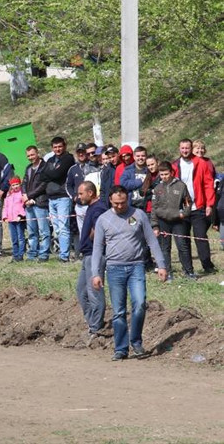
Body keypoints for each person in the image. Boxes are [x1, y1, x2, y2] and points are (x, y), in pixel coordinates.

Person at [91, 185, 168, 361]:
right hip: (114, 268)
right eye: (116, 203)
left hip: (136, 267)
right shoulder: (103, 220)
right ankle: (121, 348)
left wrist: (161, 265)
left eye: (123, 202)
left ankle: (136, 342)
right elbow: (97, 249)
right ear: (110, 199)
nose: (120, 206)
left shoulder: (138, 215)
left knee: (140, 304)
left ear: (128, 199)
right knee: (118, 311)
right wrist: (96, 273)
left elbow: (151, 241)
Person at [172, 138, 216, 274]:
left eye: (187, 148)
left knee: (200, 237)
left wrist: (209, 204)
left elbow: (208, 184)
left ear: (191, 148)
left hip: (198, 207)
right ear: (179, 149)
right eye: (183, 148)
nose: (185, 151)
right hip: (181, 209)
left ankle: (208, 266)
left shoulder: (201, 163)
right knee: (183, 240)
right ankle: (188, 270)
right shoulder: (175, 165)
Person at [76, 181, 108, 340]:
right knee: (81, 291)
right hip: (87, 255)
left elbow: (101, 229)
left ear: (90, 193)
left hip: (94, 255)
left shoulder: (99, 208)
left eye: (81, 193)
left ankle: (96, 327)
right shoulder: (91, 207)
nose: (78, 196)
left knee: (94, 291)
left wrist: (93, 238)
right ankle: (92, 322)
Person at [151, 161, 194, 281]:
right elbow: (154, 208)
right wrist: (155, 225)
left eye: (166, 174)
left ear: (171, 172)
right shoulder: (157, 189)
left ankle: (189, 271)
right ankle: (168, 272)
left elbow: (188, 203)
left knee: (182, 246)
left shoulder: (181, 186)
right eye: (162, 174)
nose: (164, 177)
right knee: (165, 248)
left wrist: (183, 214)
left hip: (178, 222)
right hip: (163, 221)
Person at [41, 136, 75, 262]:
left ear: (64, 146)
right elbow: (42, 175)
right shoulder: (50, 159)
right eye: (55, 147)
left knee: (63, 227)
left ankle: (64, 256)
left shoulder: (68, 158)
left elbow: (57, 174)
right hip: (51, 198)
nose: (58, 149)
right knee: (56, 228)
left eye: (60, 146)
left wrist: (50, 174)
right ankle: (61, 251)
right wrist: (51, 174)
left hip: (63, 197)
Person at [22, 145, 49, 262]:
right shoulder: (28, 168)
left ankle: (43, 254)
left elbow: (43, 185)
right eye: (28, 156)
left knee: (44, 231)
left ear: (37, 153)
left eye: (32, 155)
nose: (30, 157)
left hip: (40, 202)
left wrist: (30, 196)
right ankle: (32, 253)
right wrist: (24, 196)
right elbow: (24, 183)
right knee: (32, 231)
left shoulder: (45, 167)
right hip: (29, 204)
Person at [2, 177, 26, 262]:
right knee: (14, 238)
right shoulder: (9, 195)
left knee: (20, 238)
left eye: (17, 184)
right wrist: (5, 216)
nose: (15, 186)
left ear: (20, 184)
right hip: (11, 220)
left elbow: (24, 206)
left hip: (19, 220)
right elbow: (6, 206)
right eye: (13, 185)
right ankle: (15, 255)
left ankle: (20, 255)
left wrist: (21, 216)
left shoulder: (22, 194)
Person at [120, 146, 150, 210]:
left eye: (143, 156)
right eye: (138, 156)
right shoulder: (128, 170)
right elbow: (123, 184)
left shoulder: (150, 170)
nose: (140, 158)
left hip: (146, 207)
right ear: (134, 157)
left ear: (146, 156)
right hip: (131, 206)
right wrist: (140, 181)